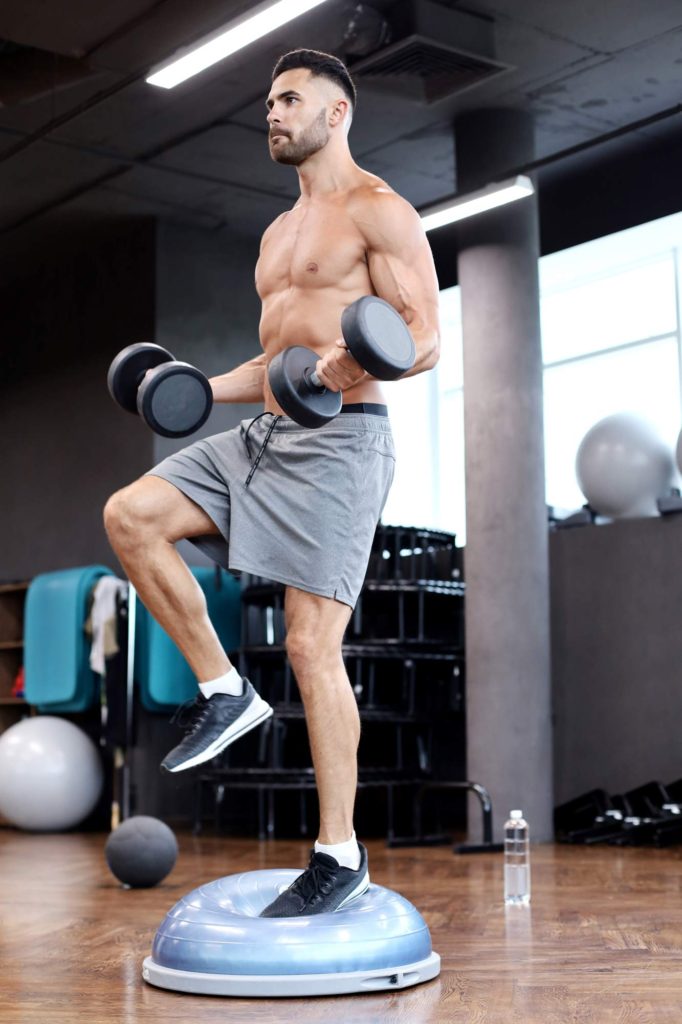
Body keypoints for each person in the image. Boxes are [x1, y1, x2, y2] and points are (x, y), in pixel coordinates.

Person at [103, 48, 440, 917]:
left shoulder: (380, 211)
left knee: (309, 646)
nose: (273, 114)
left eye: (290, 99)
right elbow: (275, 364)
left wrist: (345, 363)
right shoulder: (277, 235)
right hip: (266, 432)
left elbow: (423, 337)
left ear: (337, 114)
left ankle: (340, 853)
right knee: (131, 515)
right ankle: (225, 691)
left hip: (344, 443)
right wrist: (193, 389)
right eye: (269, 103)